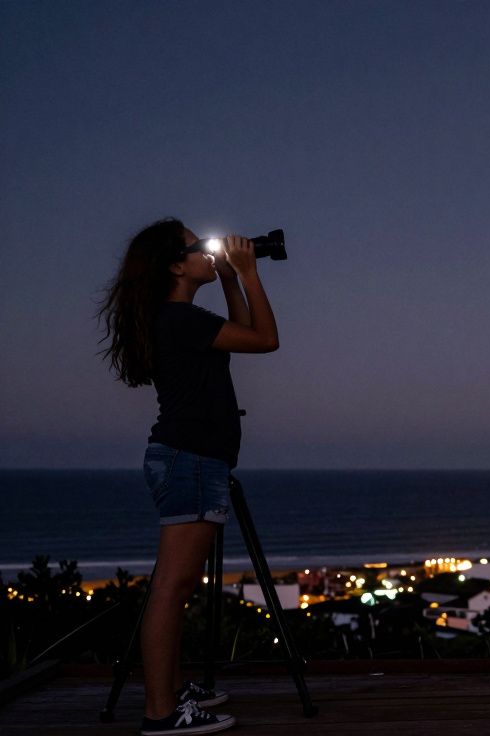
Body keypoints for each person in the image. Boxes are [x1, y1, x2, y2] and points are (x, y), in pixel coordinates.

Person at [99, 218, 279, 735]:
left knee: (175, 584)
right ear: (175, 265)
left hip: (192, 458)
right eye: (194, 246)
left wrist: (229, 280)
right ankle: (161, 711)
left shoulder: (181, 318)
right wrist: (248, 273)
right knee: (173, 586)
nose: (206, 249)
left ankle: (172, 690)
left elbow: (241, 337)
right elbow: (266, 340)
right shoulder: (178, 319)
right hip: (191, 458)